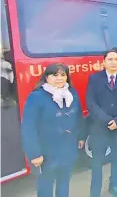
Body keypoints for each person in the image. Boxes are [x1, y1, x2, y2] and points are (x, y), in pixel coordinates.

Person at [21, 63, 85, 197]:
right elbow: (28, 127)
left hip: (67, 149)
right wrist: (34, 154)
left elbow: (79, 116)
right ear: (46, 77)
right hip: (46, 153)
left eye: (63, 75)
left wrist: (80, 136)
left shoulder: (71, 93)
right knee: (45, 188)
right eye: (54, 75)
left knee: (64, 183)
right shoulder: (36, 97)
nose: (59, 78)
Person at [86, 50, 117, 197]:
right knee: (97, 162)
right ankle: (95, 192)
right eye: (110, 59)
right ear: (104, 62)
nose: (113, 62)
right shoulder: (94, 79)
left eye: (116, 59)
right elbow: (91, 103)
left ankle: (115, 186)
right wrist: (106, 120)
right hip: (100, 128)